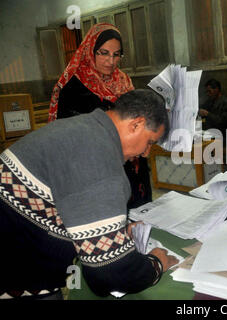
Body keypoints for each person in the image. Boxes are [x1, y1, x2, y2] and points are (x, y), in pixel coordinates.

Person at [0, 89, 178, 299]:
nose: (146, 153)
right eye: (150, 142)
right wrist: (156, 264)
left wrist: (114, 232)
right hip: (19, 281)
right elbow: (108, 272)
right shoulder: (99, 158)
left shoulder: (84, 128)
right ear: (136, 124)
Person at [47, 23, 152, 209]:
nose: (110, 61)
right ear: (90, 50)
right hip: (95, 172)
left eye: (116, 54)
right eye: (103, 53)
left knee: (139, 220)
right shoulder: (73, 87)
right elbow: (67, 138)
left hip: (132, 168)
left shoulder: (123, 81)